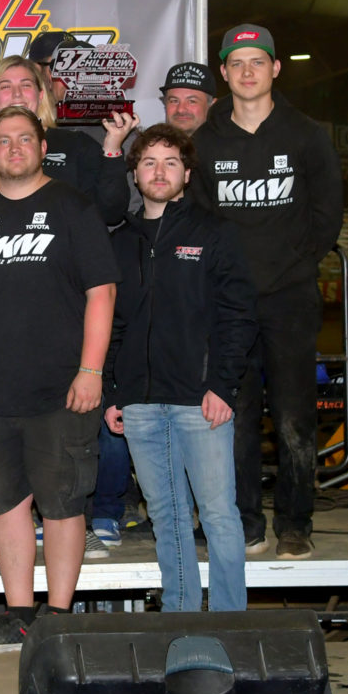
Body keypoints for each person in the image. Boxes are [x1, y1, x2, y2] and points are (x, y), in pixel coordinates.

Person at [0, 105, 119, 654]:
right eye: (3, 141)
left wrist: (91, 370)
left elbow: (102, 293)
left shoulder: (73, 208)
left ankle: (58, 618)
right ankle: (19, 616)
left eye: (25, 139)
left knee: (63, 502)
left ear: (43, 148)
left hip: (63, 387)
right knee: (2, 502)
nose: (14, 148)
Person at [190, 23, 343, 559]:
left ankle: (296, 524)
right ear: (224, 74)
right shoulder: (205, 142)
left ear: (275, 69)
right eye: (237, 64)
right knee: (232, 415)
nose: (247, 72)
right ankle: (245, 523)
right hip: (229, 304)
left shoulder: (305, 134)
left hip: (290, 298)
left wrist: (292, 270)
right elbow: (199, 221)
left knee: (295, 414)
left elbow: (328, 215)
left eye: (258, 62)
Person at [104, 123, 256, 613]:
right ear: (135, 172)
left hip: (200, 401)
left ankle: (232, 621)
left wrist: (222, 386)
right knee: (168, 516)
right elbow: (113, 324)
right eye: (149, 162)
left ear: (187, 174)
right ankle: (180, 617)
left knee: (218, 515)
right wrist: (114, 393)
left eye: (171, 162)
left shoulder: (215, 232)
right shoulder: (121, 241)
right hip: (142, 405)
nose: (159, 171)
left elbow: (238, 316)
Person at [0, 56, 133, 224]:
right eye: (5, 86)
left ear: (41, 94)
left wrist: (113, 149)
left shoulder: (77, 146)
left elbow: (111, 213)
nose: (17, 94)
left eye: (26, 85)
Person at [161, 61, 216, 136]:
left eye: (192, 101)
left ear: (212, 106)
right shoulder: (150, 146)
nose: (181, 109)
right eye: (174, 101)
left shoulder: (230, 146)